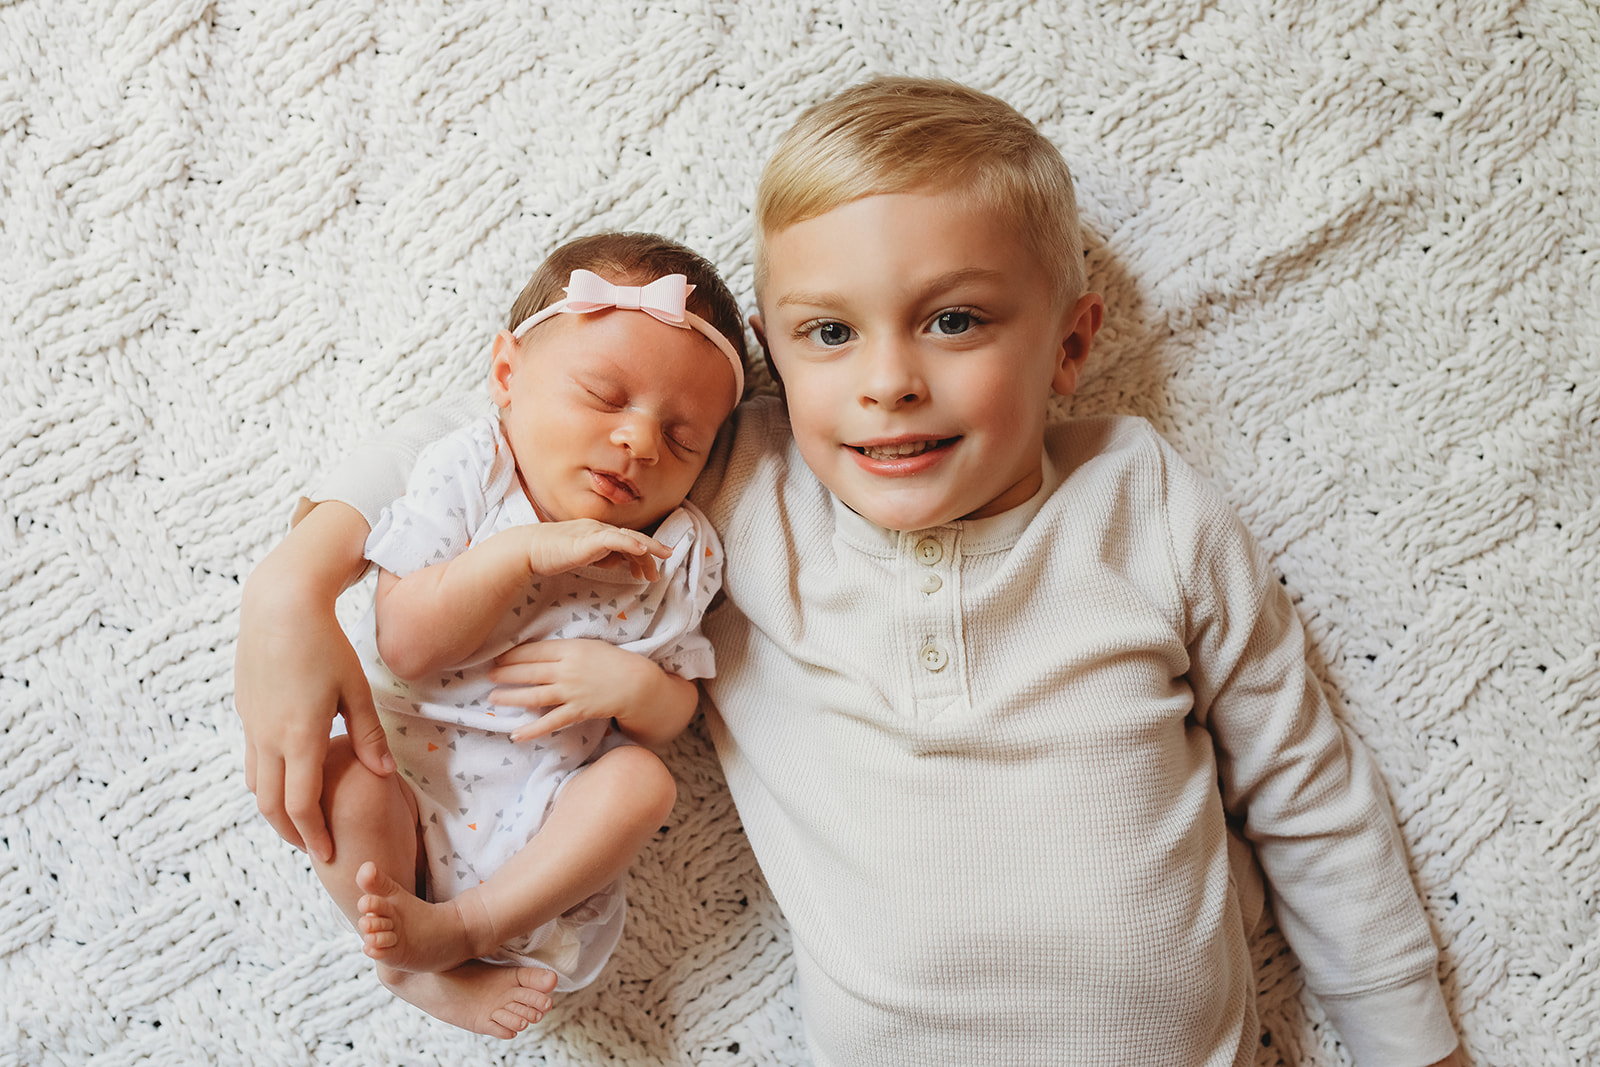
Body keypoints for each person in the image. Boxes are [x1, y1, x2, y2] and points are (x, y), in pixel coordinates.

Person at [236, 79, 1463, 1065]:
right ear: (769, 359)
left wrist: (1415, 1045)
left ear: (1071, 345)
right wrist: (294, 581)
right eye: (831, 333)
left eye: (955, 320)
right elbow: (528, 414)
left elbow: (1305, 785)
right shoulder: (739, 483)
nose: (888, 381)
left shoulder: (1138, 497)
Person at [273, 232, 745, 1039]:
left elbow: (677, 713)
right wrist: (520, 554)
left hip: (542, 821)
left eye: (682, 438)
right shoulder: (470, 473)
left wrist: (636, 689)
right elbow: (405, 644)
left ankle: (464, 931)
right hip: (408, 784)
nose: (638, 441)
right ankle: (409, 965)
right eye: (604, 396)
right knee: (343, 773)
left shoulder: (675, 549)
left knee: (643, 783)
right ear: (506, 377)